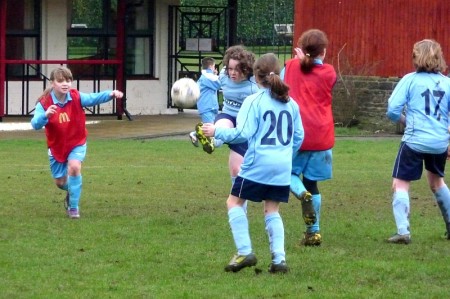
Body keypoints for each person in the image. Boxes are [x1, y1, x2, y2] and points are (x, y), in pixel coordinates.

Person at [202, 53, 304, 273]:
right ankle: (279, 260)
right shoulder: (291, 103)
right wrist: (284, 154)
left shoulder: (254, 100)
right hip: (282, 166)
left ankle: (244, 251)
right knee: (272, 210)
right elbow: (299, 137)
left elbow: (242, 133)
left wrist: (215, 131)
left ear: (256, 77)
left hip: (258, 163)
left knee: (233, 202)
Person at [31, 66, 124, 219]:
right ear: (52, 83)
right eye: (61, 81)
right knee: (60, 182)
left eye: (69, 80)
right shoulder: (44, 103)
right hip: (57, 147)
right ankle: (73, 189)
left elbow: (94, 98)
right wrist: (45, 115)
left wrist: (111, 94)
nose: (65, 84)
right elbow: (35, 125)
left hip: (77, 142)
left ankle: (73, 208)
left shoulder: (76, 97)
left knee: (74, 167)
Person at [386, 39, 450, 244]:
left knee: (400, 184)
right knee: (437, 182)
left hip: (414, 140)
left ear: (416, 57)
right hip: (439, 142)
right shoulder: (447, 83)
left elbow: (393, 110)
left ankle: (403, 231)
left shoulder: (410, 80)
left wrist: (404, 121)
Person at [281, 29, 337, 246]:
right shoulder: (330, 72)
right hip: (321, 136)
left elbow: (282, 90)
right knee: (313, 183)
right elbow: (319, 74)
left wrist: (298, 62)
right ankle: (313, 232)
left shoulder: (290, 66)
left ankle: (301, 193)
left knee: (286, 172)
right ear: (324, 51)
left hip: (297, 134)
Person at [195, 45, 261, 186]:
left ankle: (239, 205)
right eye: (230, 68)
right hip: (228, 114)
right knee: (221, 125)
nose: (232, 73)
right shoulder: (224, 75)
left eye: (237, 69)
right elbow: (212, 81)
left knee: (236, 170)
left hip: (245, 124)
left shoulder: (255, 82)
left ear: (246, 69)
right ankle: (211, 141)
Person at [189, 57, 221, 148]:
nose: (215, 68)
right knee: (210, 129)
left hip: (209, 106)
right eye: (214, 66)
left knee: (211, 127)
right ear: (211, 66)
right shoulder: (207, 76)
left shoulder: (206, 76)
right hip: (208, 106)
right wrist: (216, 75)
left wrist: (214, 75)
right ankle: (209, 144)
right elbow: (219, 84)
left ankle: (195, 134)